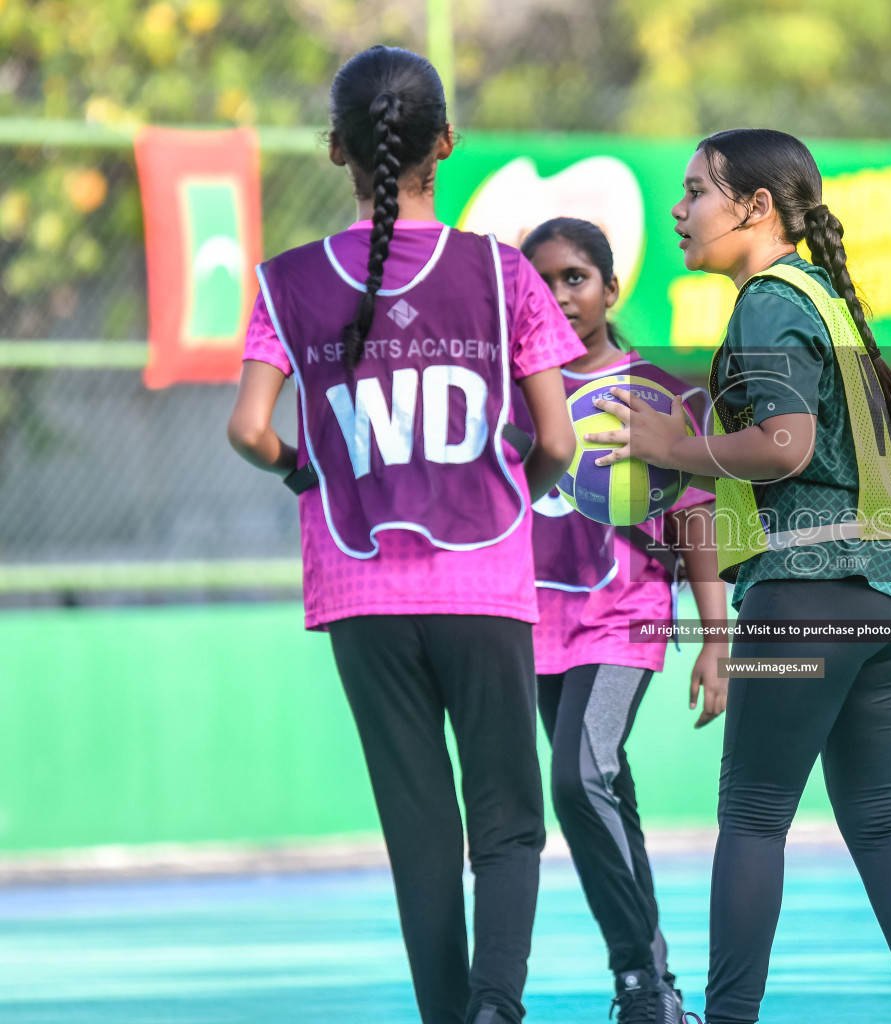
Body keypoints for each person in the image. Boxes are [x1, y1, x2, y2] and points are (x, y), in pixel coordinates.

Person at [225, 45, 583, 1024]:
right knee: (507, 822)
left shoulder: (286, 282)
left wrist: (308, 470)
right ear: (448, 145)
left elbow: (249, 429)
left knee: (419, 829)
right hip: (485, 574)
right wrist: (515, 481)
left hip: (360, 589)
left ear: (337, 147)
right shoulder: (502, 273)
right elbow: (556, 437)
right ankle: (496, 1004)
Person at [588, 128, 891, 1024]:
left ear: (756, 208)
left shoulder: (766, 299)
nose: (679, 211)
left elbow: (784, 447)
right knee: (877, 820)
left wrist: (671, 444)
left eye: (696, 192)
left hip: (812, 582)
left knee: (754, 817)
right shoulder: (824, 295)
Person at [518, 217, 728, 1024]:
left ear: (611, 288)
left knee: (578, 778)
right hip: (532, 626)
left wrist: (715, 639)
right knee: (605, 789)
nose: (560, 294)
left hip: (625, 620)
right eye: (541, 282)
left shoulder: (658, 391)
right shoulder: (513, 394)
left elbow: (698, 520)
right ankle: (658, 987)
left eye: (576, 277)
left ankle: (639, 980)